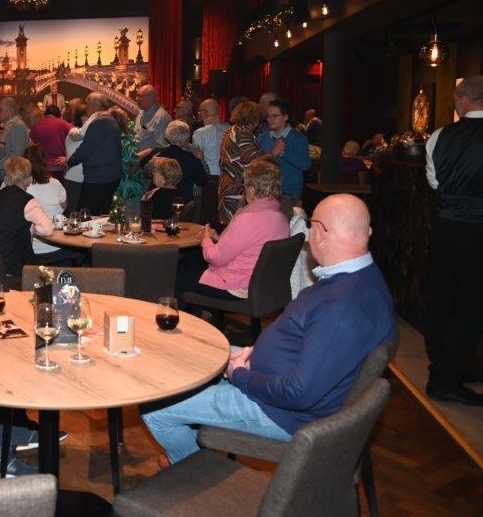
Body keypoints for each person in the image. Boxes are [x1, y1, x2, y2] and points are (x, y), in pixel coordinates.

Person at [143, 193, 396, 464]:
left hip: (281, 412)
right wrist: (257, 352)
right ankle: (196, 443)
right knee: (193, 353)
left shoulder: (343, 306)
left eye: (310, 226)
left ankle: (192, 470)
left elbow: (299, 393)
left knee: (156, 407)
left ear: (321, 233)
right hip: (272, 379)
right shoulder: (360, 279)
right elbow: (315, 349)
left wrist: (240, 375)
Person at [424, 75, 483, 405]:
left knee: (442, 298)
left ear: (463, 100)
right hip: (478, 229)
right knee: (471, 305)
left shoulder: (439, 136)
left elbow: (435, 183)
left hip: (445, 225)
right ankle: (446, 379)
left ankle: (443, 365)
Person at [176, 159, 291, 306]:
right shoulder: (281, 218)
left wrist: (206, 239)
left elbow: (215, 258)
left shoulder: (248, 218)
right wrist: (217, 237)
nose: (243, 190)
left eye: (245, 185)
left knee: (176, 280)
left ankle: (188, 319)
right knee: (192, 264)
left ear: (251, 190)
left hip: (236, 286)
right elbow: (249, 246)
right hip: (262, 286)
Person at [0, 157, 56, 278]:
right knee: (50, 276)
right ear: (29, 180)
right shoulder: (27, 201)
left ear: (5, 177)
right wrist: (32, 228)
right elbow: (47, 230)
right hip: (14, 267)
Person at [64, 93, 122, 215]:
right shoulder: (111, 120)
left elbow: (86, 148)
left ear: (94, 105)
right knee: (102, 213)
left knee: (86, 214)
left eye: (87, 104)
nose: (86, 107)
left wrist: (69, 163)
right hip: (110, 175)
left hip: (98, 177)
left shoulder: (99, 122)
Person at [24, 144, 80, 266]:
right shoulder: (56, 184)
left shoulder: (21, 188)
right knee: (82, 252)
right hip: (56, 247)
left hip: (29, 250)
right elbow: (64, 207)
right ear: (44, 161)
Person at [256, 99, 310, 211]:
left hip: (288, 193)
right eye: (268, 116)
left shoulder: (298, 138)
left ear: (285, 117)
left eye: (275, 116)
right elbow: (256, 163)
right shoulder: (263, 137)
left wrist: (282, 152)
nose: (270, 119)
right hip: (265, 191)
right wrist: (272, 152)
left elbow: (305, 165)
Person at [218, 101, 265, 225]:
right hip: (238, 187)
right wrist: (272, 154)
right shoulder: (244, 134)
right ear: (255, 119)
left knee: (229, 225)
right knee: (237, 226)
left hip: (229, 184)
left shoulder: (232, 131)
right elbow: (251, 161)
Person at [192, 98, 229, 223]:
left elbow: (196, 156)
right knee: (223, 216)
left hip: (209, 178)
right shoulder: (230, 129)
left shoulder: (200, 133)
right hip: (228, 178)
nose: (198, 115)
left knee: (208, 216)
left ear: (206, 113)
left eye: (200, 112)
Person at [154, 121, 206, 203]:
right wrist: (200, 160)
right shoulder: (190, 157)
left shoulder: (158, 153)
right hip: (182, 202)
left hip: (159, 199)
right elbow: (201, 180)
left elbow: (146, 171)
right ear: (183, 140)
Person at [29, 105, 73, 179]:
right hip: (58, 166)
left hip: (41, 166)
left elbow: (31, 145)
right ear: (59, 115)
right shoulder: (63, 123)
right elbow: (77, 136)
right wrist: (68, 157)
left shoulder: (35, 126)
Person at [133, 84, 171, 157]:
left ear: (151, 98)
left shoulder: (161, 117)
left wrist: (138, 157)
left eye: (140, 96)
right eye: (137, 96)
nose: (136, 99)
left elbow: (161, 146)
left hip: (149, 160)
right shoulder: (141, 113)